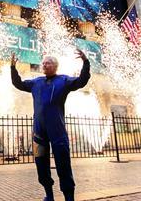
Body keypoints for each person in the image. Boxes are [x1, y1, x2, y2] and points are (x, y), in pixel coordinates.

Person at [10, 50, 90, 201]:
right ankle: (49, 195)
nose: (44, 65)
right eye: (43, 63)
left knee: (63, 165)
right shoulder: (36, 82)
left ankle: (69, 197)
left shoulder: (64, 81)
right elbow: (18, 84)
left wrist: (85, 62)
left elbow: (82, 81)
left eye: (48, 63)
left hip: (58, 131)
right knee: (41, 165)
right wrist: (13, 68)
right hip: (39, 131)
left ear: (55, 66)